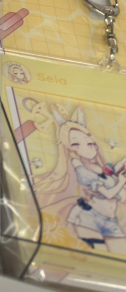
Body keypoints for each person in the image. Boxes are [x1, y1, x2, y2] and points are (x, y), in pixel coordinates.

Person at [38, 107, 125, 253]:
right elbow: (108, 193)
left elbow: (112, 181)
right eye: (76, 144)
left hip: (110, 221)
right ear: (71, 149)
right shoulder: (82, 171)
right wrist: (121, 182)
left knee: (119, 259)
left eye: (89, 142)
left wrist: (121, 165)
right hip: (88, 218)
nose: (90, 147)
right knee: (96, 259)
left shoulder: (101, 169)